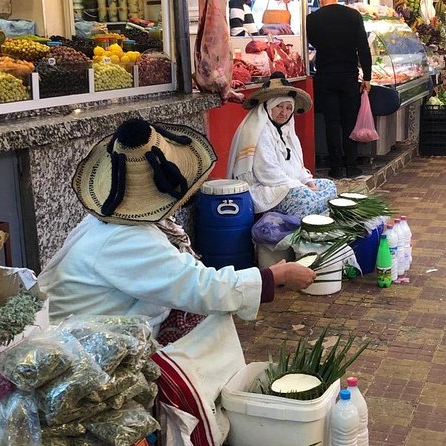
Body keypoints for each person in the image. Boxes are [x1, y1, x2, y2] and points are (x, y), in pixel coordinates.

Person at [38, 117, 316, 444]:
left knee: (208, 315)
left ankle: (216, 405)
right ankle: (197, 422)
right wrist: (274, 277)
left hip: (110, 326)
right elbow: (200, 286)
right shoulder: (125, 238)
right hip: (90, 350)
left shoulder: (115, 219)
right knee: (210, 319)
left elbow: (185, 277)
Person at [227, 72, 337, 219]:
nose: (284, 113)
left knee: (329, 186)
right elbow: (267, 173)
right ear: (269, 106)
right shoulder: (259, 132)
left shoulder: (287, 132)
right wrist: (300, 187)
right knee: (306, 198)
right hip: (266, 189)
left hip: (289, 185)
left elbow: (297, 167)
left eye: (288, 108)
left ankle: (312, 213)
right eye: (279, 106)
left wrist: (307, 181)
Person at [306, 0, 372, 179]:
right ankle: (351, 165)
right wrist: (367, 77)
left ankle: (335, 168)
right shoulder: (353, 15)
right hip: (348, 77)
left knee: (332, 123)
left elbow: (312, 44)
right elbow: (363, 48)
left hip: (325, 76)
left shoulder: (312, 19)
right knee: (349, 121)